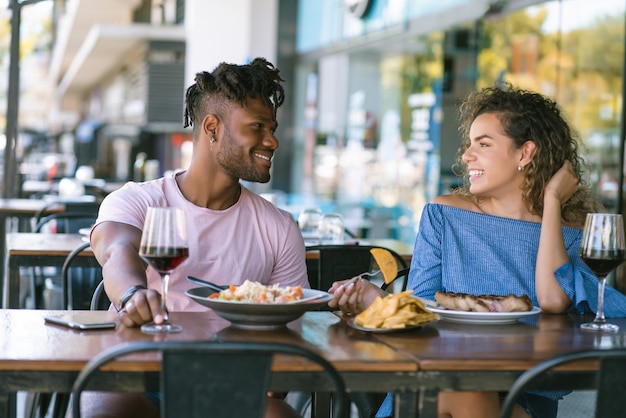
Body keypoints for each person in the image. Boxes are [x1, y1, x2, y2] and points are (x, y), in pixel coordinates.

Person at [328, 83, 626, 418]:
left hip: (520, 394)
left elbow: (554, 301)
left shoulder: (569, 234)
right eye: (470, 143)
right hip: (437, 382)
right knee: (459, 390)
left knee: (468, 394)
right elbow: (420, 310)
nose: (467, 155)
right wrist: (374, 299)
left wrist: (552, 201)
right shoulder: (444, 214)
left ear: (525, 153)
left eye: (483, 144)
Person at [85, 57, 307, 418]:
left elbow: (288, 341)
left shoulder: (279, 227)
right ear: (212, 128)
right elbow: (116, 249)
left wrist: (264, 385)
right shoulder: (139, 199)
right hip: (136, 376)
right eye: (258, 127)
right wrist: (131, 294)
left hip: (229, 385)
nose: (273, 140)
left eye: (273, 127)